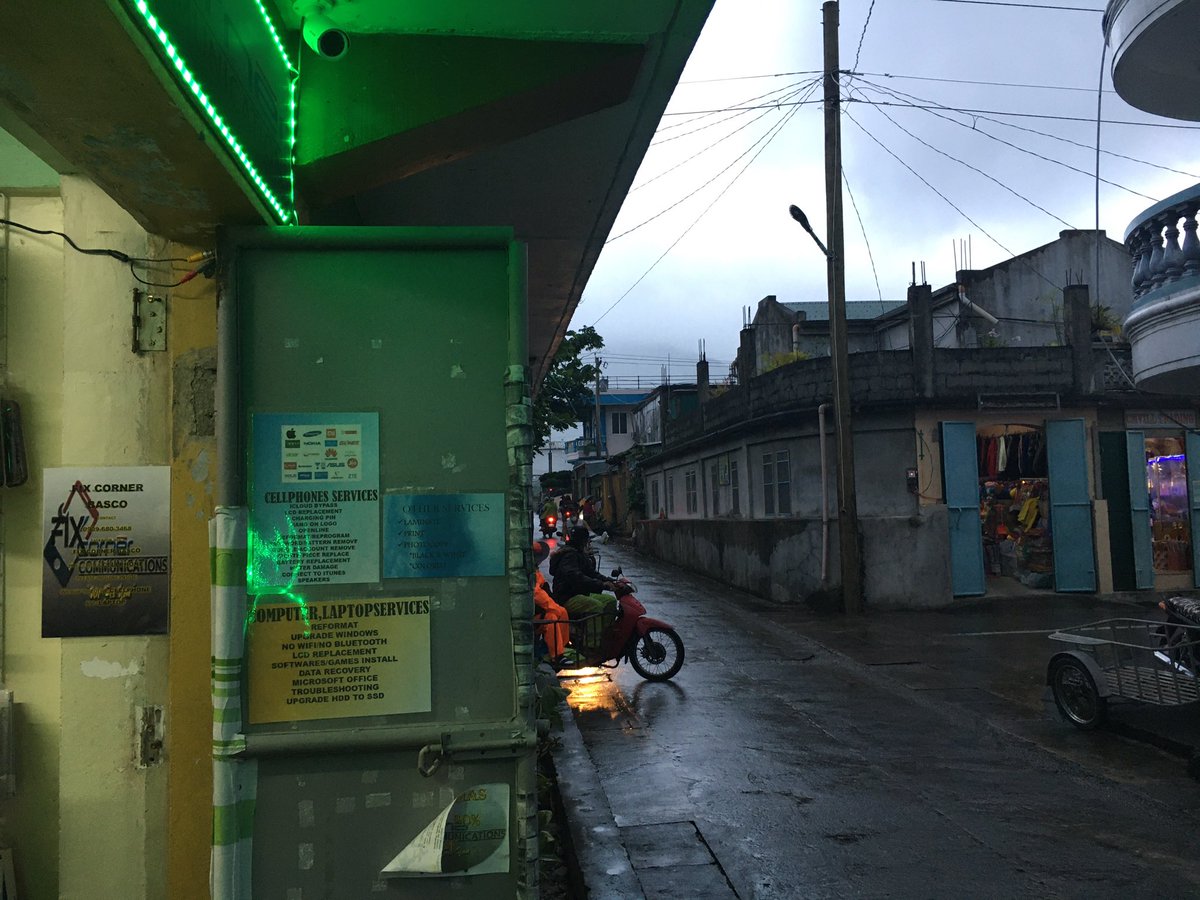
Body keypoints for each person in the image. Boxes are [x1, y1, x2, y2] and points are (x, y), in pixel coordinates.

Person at [549, 525, 615, 604]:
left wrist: (609, 580)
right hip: (567, 597)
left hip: (579, 593)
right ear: (583, 541)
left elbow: (591, 572)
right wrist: (601, 585)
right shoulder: (570, 555)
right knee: (597, 605)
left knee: (610, 600)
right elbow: (575, 576)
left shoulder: (579, 553)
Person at [531, 540, 571, 664]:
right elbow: (537, 594)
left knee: (562, 612)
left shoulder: (535, 572)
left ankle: (562, 647)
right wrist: (553, 607)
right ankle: (557, 656)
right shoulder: (530, 575)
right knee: (552, 618)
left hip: (538, 608)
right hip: (531, 613)